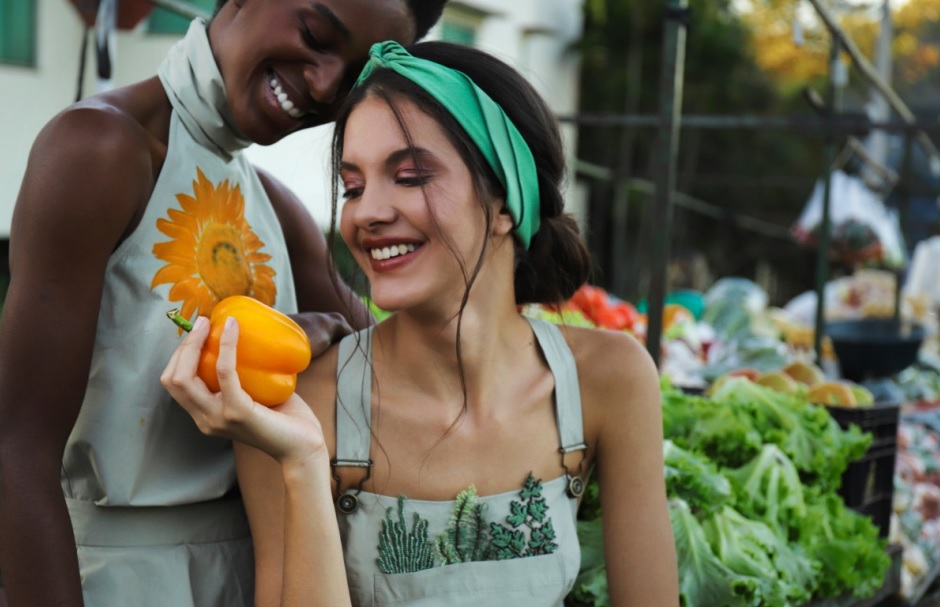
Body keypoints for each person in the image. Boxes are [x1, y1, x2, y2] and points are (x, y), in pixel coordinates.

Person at [162, 40, 680, 606]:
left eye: (409, 176)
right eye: (353, 186)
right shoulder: (299, 402)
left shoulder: (609, 379)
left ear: (505, 203)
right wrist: (304, 463)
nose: (367, 213)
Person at [0, 2, 447, 606]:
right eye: (315, 35)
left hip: (262, 578)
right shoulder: (97, 151)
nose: (323, 85)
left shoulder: (277, 208)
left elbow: (403, 376)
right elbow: (16, 448)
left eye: (353, 77)